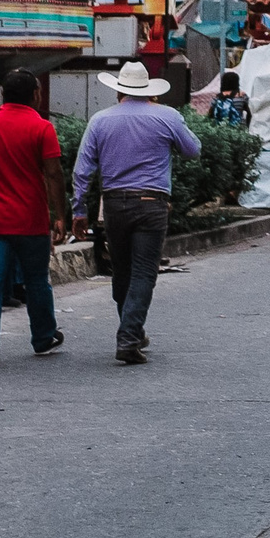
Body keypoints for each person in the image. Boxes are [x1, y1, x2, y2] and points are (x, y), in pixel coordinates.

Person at [70, 60, 200, 363]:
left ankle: (133, 329)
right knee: (143, 272)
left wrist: (79, 210)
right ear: (150, 92)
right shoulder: (166, 116)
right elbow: (193, 150)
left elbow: (82, 170)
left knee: (123, 271)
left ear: (119, 93)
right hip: (151, 204)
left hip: (113, 204)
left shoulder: (100, 121)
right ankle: (129, 336)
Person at [0, 68, 68, 367]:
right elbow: (53, 173)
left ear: (4, 94)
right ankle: (43, 337)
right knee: (37, 280)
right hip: (31, 220)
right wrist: (59, 214)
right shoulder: (42, 128)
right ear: (36, 95)